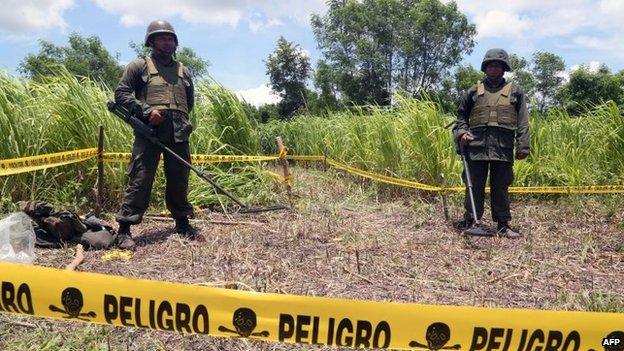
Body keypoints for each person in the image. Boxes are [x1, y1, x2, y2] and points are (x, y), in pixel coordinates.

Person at [114, 19, 197, 250]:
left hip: (178, 132)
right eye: (162, 37)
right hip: (150, 131)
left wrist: (176, 119)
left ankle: (182, 222)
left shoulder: (184, 71)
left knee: (179, 178)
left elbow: (188, 103)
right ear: (151, 40)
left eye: (170, 38)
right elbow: (121, 93)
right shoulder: (139, 66)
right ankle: (125, 229)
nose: (167, 41)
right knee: (140, 178)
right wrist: (147, 111)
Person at [452, 48, 530, 238]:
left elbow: (522, 121)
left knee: (501, 186)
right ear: (485, 68)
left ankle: (503, 225)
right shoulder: (472, 91)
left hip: (503, 148)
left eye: (498, 65)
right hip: (475, 147)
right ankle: (471, 221)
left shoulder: (516, 92)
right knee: (474, 185)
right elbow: (461, 118)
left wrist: (523, 146)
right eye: (490, 65)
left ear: (504, 69)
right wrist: (462, 133)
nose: (494, 68)